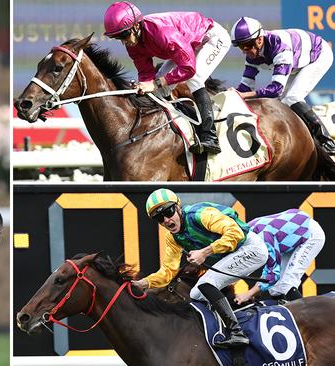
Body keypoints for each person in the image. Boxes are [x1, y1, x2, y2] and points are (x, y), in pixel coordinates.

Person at [132, 188, 267, 348]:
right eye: (159, 218)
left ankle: (237, 332)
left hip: (250, 248)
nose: (167, 220)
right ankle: (227, 325)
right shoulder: (173, 238)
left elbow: (235, 233)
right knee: (196, 293)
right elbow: (168, 272)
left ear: (178, 207)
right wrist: (143, 283)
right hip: (235, 254)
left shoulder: (199, 214)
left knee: (206, 284)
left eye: (168, 212)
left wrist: (205, 252)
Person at [103, 1, 230, 155]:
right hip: (187, 44)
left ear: (136, 26)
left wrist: (156, 83)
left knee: (195, 78)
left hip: (211, 38)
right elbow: (145, 73)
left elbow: (188, 69)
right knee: (158, 90)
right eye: (118, 38)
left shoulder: (162, 33)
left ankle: (210, 137)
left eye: (124, 35)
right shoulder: (133, 45)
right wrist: (145, 85)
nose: (125, 42)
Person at [229, 17, 335, 154]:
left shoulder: (279, 46)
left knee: (291, 98)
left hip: (319, 55)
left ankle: (326, 140)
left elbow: (276, 90)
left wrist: (243, 95)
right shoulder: (252, 54)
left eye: (246, 46)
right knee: (284, 104)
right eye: (241, 47)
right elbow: (245, 87)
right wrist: (230, 95)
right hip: (297, 61)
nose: (244, 51)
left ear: (259, 40)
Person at [234, 209, 325, 304]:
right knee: (275, 289)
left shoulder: (263, 237)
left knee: (287, 284)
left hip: (310, 234)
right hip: (293, 233)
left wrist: (249, 294)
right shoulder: (247, 232)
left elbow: (273, 274)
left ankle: (308, 317)